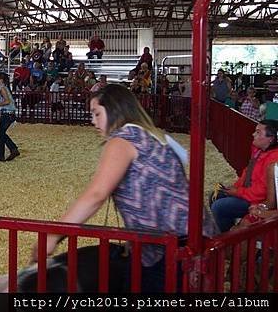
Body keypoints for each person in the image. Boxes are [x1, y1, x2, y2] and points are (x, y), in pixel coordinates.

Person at [32, 84, 217, 292]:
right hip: (193, 242)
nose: (93, 121)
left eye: (96, 113)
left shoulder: (123, 139)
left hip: (172, 249)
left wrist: (52, 236)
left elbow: (96, 195)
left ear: (114, 110)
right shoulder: (153, 135)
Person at [210, 120, 278, 232]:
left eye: (258, 132)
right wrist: (235, 187)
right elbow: (248, 172)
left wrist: (237, 192)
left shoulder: (273, 159)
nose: (253, 135)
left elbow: (262, 192)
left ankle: (229, 238)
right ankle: (226, 231)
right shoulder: (259, 150)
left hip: (258, 200)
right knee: (215, 195)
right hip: (249, 194)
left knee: (219, 207)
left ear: (270, 139)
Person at [0, 72, 19, 162]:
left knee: (1, 136)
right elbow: (7, 103)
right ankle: (12, 150)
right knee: (2, 135)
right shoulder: (5, 88)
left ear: (1, 80)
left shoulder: (2, 89)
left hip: (7, 115)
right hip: (9, 113)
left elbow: (7, 101)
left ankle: (1, 156)